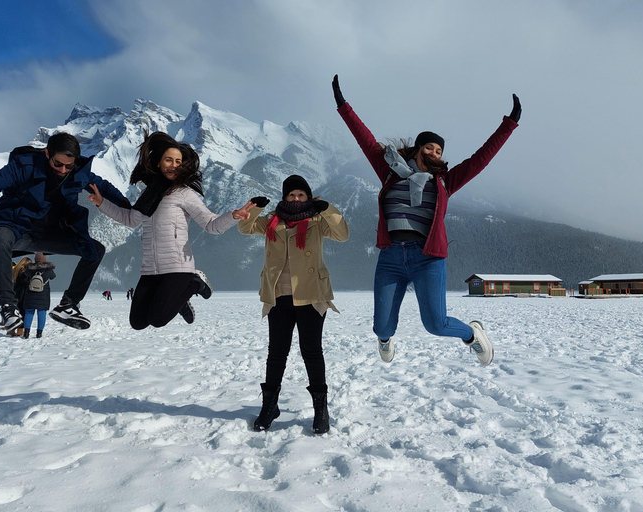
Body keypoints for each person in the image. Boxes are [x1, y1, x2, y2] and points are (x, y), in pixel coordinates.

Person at [332, 75, 521, 366]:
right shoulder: (389, 171)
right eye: (430, 148)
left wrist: (508, 124)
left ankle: (471, 335)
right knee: (381, 328)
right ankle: (385, 340)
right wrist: (343, 105)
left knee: (436, 324)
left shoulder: (444, 181)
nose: (434, 153)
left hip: (427, 258)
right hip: (391, 257)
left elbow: (481, 159)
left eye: (439, 151)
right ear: (418, 149)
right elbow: (365, 140)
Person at [0, 132, 130, 334]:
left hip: (53, 234)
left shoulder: (79, 173)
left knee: (95, 249)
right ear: (47, 154)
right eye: (58, 164)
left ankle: (68, 305)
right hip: (19, 230)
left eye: (69, 166)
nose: (63, 170)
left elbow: (104, 188)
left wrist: (127, 206)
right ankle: (8, 306)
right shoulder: (25, 166)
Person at [88, 131, 254, 330]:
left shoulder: (184, 193)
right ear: (158, 162)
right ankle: (179, 300)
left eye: (178, 161)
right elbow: (130, 219)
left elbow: (211, 225)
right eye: (169, 160)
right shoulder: (148, 194)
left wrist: (233, 216)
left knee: (158, 319)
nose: (174, 165)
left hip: (178, 266)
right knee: (138, 322)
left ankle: (195, 282)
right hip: (150, 268)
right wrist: (101, 203)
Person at [238, 175, 349, 434]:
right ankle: (269, 406)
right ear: (284, 197)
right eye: (291, 195)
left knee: (312, 351)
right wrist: (255, 207)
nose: (296, 199)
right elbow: (244, 228)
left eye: (301, 194)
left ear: (308, 197)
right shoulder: (270, 222)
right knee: (276, 352)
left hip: (311, 294)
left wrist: (328, 210)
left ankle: (321, 409)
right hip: (278, 294)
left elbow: (342, 234)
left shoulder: (318, 221)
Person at [18, 252, 55, 338]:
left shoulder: (30, 269)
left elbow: (23, 276)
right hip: (43, 295)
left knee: (29, 312)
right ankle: (39, 333)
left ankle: (26, 332)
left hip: (30, 294)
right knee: (41, 313)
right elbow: (53, 277)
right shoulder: (48, 270)